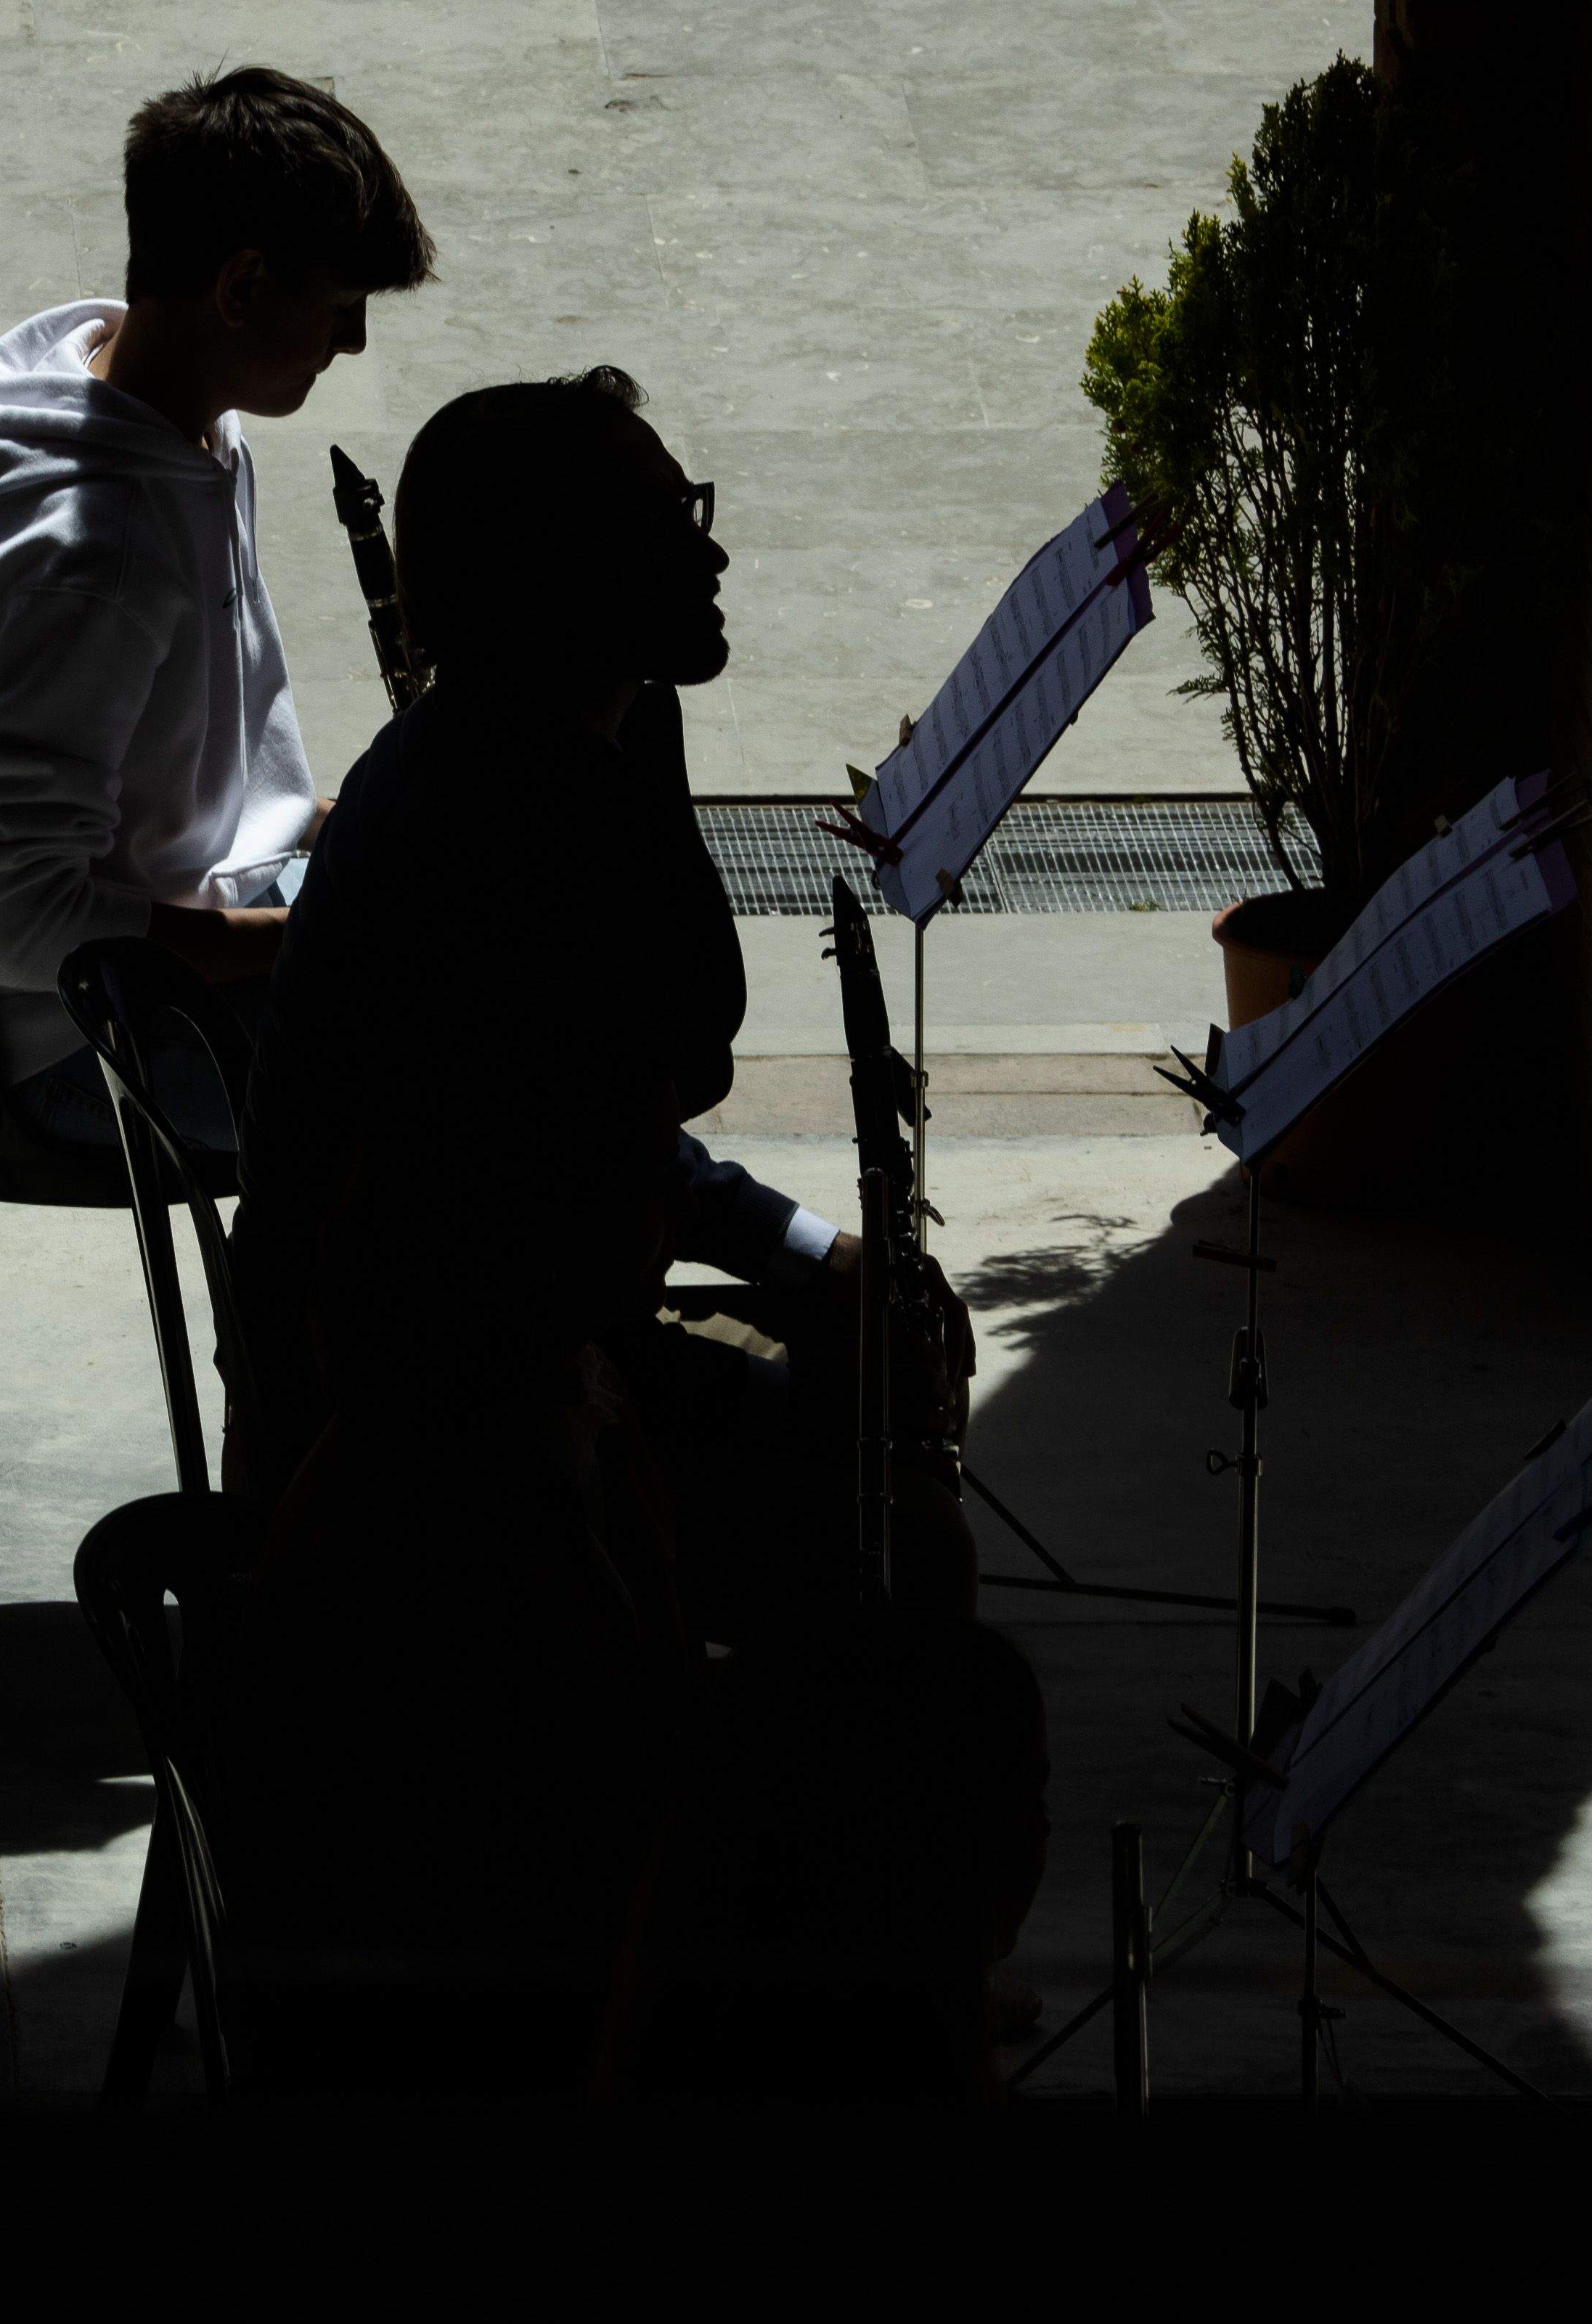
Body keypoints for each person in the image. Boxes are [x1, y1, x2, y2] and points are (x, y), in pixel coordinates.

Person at [211, 369, 1044, 2098]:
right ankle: (846, 1998)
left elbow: (612, 1112)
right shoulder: (515, 811)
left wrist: (814, 1248)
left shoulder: (518, 753)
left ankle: (873, 1964)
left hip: (499, 1369)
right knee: (923, 1638)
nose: (712, 557)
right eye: (672, 528)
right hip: (427, 1465)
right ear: (562, 588)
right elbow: (680, 1046)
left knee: (874, 1473)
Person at [0, 66, 433, 1145]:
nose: (353, 344)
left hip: (175, 936)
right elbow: (18, 924)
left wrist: (352, 835)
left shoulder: (188, 430)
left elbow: (188, 784)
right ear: (242, 288)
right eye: (342, 306)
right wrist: (313, 935)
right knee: (500, 1083)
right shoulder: (97, 555)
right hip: (75, 1046)